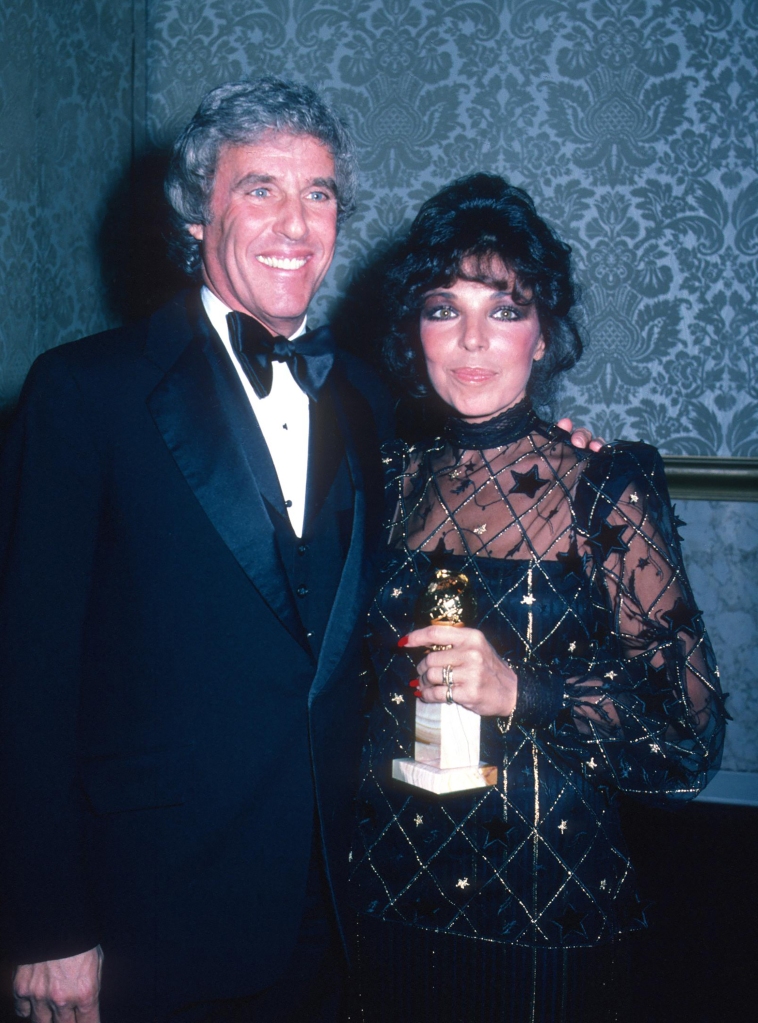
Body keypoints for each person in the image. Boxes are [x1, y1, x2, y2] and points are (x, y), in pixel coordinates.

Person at [0, 80, 597, 1021]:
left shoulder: (363, 394)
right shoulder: (86, 393)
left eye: (318, 193)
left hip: (337, 893)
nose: (296, 223)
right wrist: (44, 921)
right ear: (198, 215)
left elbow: (473, 456)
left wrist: (559, 457)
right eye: (260, 189)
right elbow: (24, 678)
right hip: (147, 906)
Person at [349, 173, 727, 1023]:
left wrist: (527, 691)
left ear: (545, 333)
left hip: (542, 901)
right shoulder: (385, 478)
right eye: (444, 308)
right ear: (415, 330)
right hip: (383, 885)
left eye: (506, 309)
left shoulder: (604, 487)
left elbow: (690, 736)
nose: (472, 341)